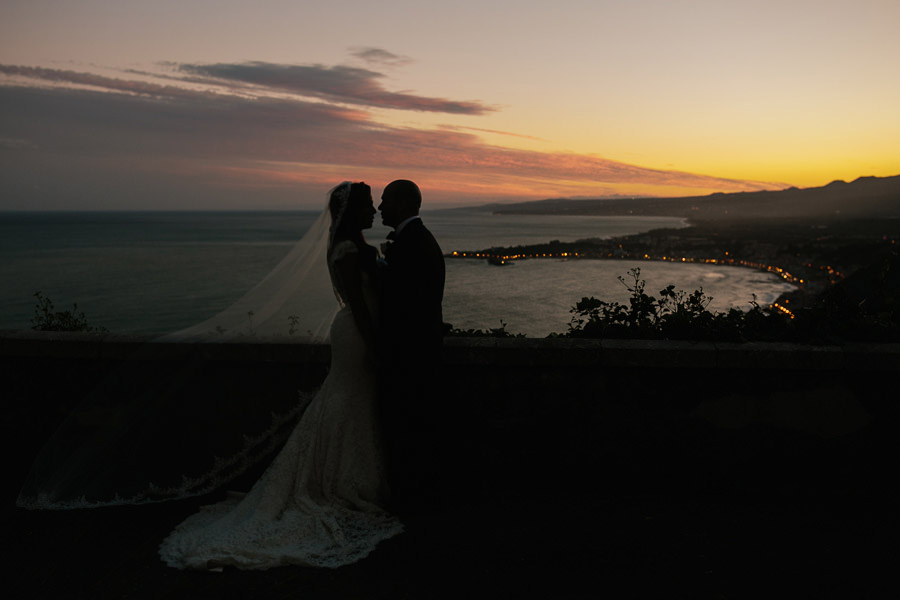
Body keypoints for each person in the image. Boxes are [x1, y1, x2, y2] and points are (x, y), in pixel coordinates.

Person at [158, 182, 404, 570]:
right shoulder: (349, 251)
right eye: (368, 206)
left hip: (356, 332)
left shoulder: (350, 246)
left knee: (348, 399)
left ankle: (344, 477)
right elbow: (358, 307)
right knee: (347, 399)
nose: (374, 211)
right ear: (353, 212)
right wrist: (375, 348)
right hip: (357, 335)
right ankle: (341, 483)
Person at [376, 179, 446, 513]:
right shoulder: (415, 239)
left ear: (403, 204)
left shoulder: (412, 243)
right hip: (417, 352)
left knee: (409, 427)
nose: (379, 207)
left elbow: (403, 304)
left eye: (385, 200)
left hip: (411, 355)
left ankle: (412, 499)